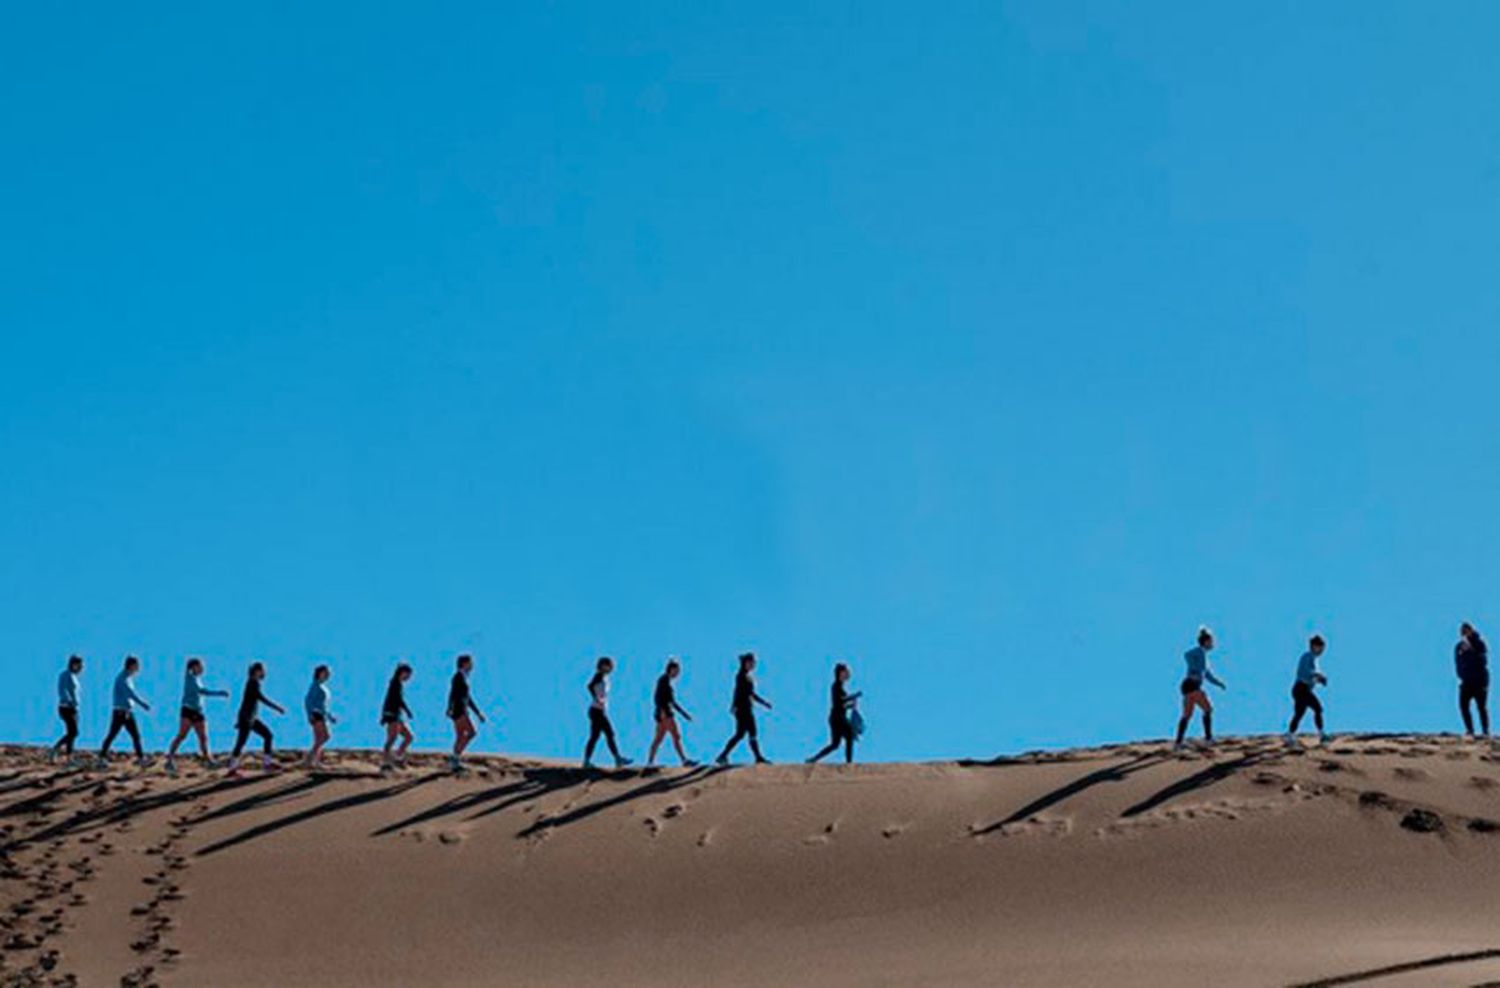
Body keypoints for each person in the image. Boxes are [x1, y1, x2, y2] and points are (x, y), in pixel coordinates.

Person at [165, 658, 230, 774]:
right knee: (182, 735)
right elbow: (202, 691)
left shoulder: (197, 679)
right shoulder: (189, 678)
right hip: (188, 711)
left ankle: (208, 760)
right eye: (199, 666)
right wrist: (218, 693)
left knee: (203, 737)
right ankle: (169, 758)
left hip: (198, 711)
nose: (202, 668)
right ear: (194, 667)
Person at [227, 662, 286, 775]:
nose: (264, 673)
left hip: (251, 718)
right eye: (262, 670)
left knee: (267, 735)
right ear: (257, 671)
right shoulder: (253, 683)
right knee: (241, 742)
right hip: (247, 718)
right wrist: (277, 707)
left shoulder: (253, 683)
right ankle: (232, 769)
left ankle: (267, 764)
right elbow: (261, 698)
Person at [716, 652, 773, 765]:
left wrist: (763, 703)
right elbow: (741, 692)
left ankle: (757, 757)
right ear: (746, 663)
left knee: (750, 732)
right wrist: (734, 705)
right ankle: (723, 755)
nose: (754, 664)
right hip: (743, 709)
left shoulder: (747, 676)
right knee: (741, 733)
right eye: (752, 662)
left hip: (747, 707)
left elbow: (747, 693)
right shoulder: (741, 676)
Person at [1174, 627, 1225, 749]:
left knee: (1187, 715)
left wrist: (1219, 683)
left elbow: (1208, 675)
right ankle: (1208, 739)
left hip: (1188, 686)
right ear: (1206, 642)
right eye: (1211, 641)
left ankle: (1178, 743)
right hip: (1192, 684)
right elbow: (1187, 655)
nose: (1212, 644)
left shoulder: (1204, 658)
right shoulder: (1199, 652)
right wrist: (1194, 669)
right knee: (1208, 709)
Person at [99, 655, 151, 767]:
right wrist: (143, 704)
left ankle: (141, 758)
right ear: (131, 665)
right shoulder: (123, 679)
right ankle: (101, 758)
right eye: (137, 665)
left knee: (135, 735)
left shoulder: (127, 678)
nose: (138, 668)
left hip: (127, 712)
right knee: (112, 735)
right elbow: (131, 694)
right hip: (120, 712)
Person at [808, 662, 863, 764]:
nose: (847, 674)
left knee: (835, 744)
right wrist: (852, 697)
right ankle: (849, 763)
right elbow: (839, 701)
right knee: (848, 735)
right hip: (837, 718)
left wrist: (851, 705)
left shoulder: (840, 687)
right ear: (840, 673)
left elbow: (842, 704)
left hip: (837, 717)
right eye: (845, 672)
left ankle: (814, 758)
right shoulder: (836, 686)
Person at [646, 657, 697, 768]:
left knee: (659, 738)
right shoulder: (663, 680)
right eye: (677, 670)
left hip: (664, 713)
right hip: (665, 713)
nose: (678, 673)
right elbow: (658, 698)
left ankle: (650, 762)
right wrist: (662, 711)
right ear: (671, 669)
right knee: (675, 735)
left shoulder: (666, 681)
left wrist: (684, 714)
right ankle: (684, 760)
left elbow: (672, 701)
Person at [583, 657, 631, 769]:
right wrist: (596, 698)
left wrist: (601, 701)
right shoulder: (599, 675)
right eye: (609, 665)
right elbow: (589, 686)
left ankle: (587, 761)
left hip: (599, 710)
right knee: (609, 734)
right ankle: (617, 759)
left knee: (595, 736)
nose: (611, 668)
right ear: (603, 666)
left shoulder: (605, 677)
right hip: (596, 711)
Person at [1284, 635, 1329, 745]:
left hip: (1303, 689)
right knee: (1318, 708)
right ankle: (1322, 735)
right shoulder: (1307, 657)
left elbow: (1311, 676)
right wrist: (1318, 675)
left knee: (1299, 714)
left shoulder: (1314, 659)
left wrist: (1319, 679)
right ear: (1314, 646)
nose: (1322, 650)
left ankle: (1290, 735)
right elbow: (1303, 673)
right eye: (1320, 647)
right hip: (1301, 689)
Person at [447, 654, 486, 772]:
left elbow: (467, 698)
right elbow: (453, 694)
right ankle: (455, 758)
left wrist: (477, 712)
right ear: (464, 663)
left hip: (460, 709)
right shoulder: (458, 677)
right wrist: (451, 708)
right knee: (472, 732)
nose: (472, 665)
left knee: (460, 736)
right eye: (470, 663)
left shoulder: (463, 677)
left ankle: (454, 760)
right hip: (460, 710)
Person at [1457, 622, 1491, 738]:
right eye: (1463, 631)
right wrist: (1461, 675)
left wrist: (1471, 645)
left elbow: (1482, 657)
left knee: (1481, 707)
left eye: (1466, 630)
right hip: (1466, 681)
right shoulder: (1459, 646)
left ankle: (1485, 731)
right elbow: (1458, 662)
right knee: (1463, 705)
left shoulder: (1479, 642)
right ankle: (1469, 730)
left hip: (1479, 680)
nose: (1464, 633)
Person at [380, 663, 415, 772]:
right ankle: (385, 763)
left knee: (409, 736)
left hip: (398, 715)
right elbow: (396, 700)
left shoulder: (398, 684)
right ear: (403, 673)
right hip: (392, 715)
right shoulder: (395, 683)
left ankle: (398, 757)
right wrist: (407, 710)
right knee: (392, 738)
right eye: (408, 675)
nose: (408, 678)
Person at [302, 665, 337, 769]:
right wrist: (310, 714)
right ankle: (310, 758)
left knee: (319, 738)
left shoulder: (322, 687)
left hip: (322, 714)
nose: (328, 675)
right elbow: (308, 701)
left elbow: (324, 705)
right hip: (316, 714)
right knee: (325, 736)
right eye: (326, 673)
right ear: (320, 673)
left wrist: (330, 716)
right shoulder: (315, 686)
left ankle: (314, 761)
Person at [52, 655, 84, 763]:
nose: (81, 668)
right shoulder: (65, 675)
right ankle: (56, 749)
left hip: (74, 709)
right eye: (79, 665)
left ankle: (69, 758)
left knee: (72, 733)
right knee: (73, 732)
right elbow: (62, 690)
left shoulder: (74, 677)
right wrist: (70, 701)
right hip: (66, 708)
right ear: (74, 664)